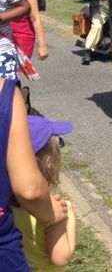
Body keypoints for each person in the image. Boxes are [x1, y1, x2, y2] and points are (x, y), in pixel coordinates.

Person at [0, 78, 68, 270]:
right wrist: (54, 219)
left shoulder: (13, 209)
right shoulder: (5, 93)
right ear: (47, 162)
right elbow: (60, 257)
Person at [11, 115, 77, 271]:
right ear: (47, 162)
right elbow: (60, 257)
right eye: (59, 143)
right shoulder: (51, 209)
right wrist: (68, 219)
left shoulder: (4, 205)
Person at [0, 0, 32, 80]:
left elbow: (25, 7)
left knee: (6, 96)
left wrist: (1, 17)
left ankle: (22, 94)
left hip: (2, 52)